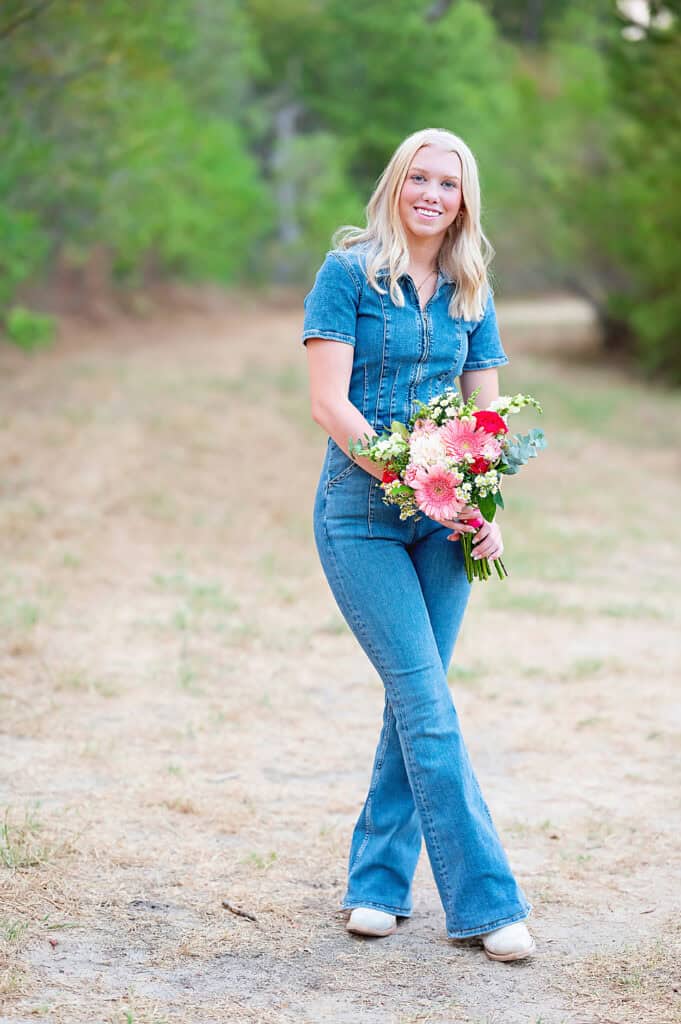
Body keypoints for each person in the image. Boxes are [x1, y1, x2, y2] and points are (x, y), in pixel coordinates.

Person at [300, 127, 536, 962]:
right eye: (420, 177)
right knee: (427, 705)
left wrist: (479, 504)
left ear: (464, 199)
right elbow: (330, 405)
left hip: (445, 529)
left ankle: (375, 883)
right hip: (360, 516)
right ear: (397, 183)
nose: (432, 193)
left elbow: (483, 420)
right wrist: (414, 481)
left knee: (416, 698)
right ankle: (487, 901)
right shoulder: (347, 274)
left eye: (449, 182)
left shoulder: (472, 287)